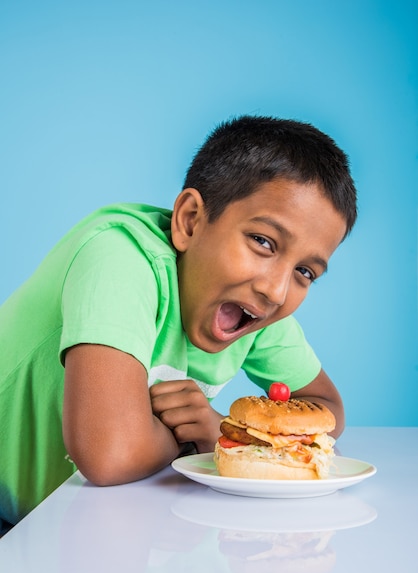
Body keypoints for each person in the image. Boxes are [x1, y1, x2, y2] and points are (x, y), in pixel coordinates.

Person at [0, 115, 357, 527]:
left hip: (56, 523)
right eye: (263, 242)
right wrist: (202, 439)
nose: (276, 291)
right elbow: (109, 454)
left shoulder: (257, 309)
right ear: (189, 220)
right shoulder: (119, 256)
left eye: (305, 272)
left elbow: (328, 412)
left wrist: (219, 428)